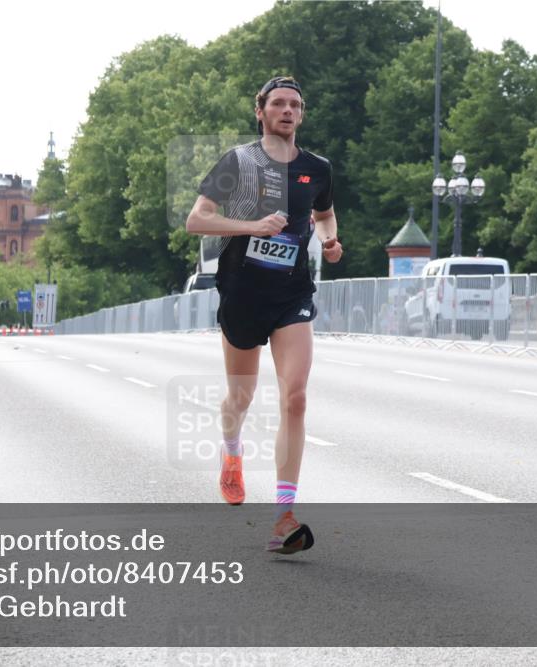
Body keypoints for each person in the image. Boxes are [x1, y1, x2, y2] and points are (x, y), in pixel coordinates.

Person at [186, 76, 343, 554]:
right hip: (242, 291)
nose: (287, 110)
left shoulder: (317, 168)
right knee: (240, 397)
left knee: (295, 398)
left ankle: (283, 516)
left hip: (290, 293)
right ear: (262, 112)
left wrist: (331, 241)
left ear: (302, 114)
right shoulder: (238, 161)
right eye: (278, 103)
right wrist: (252, 225)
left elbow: (324, 214)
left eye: (295, 104)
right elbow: (197, 219)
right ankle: (231, 452)